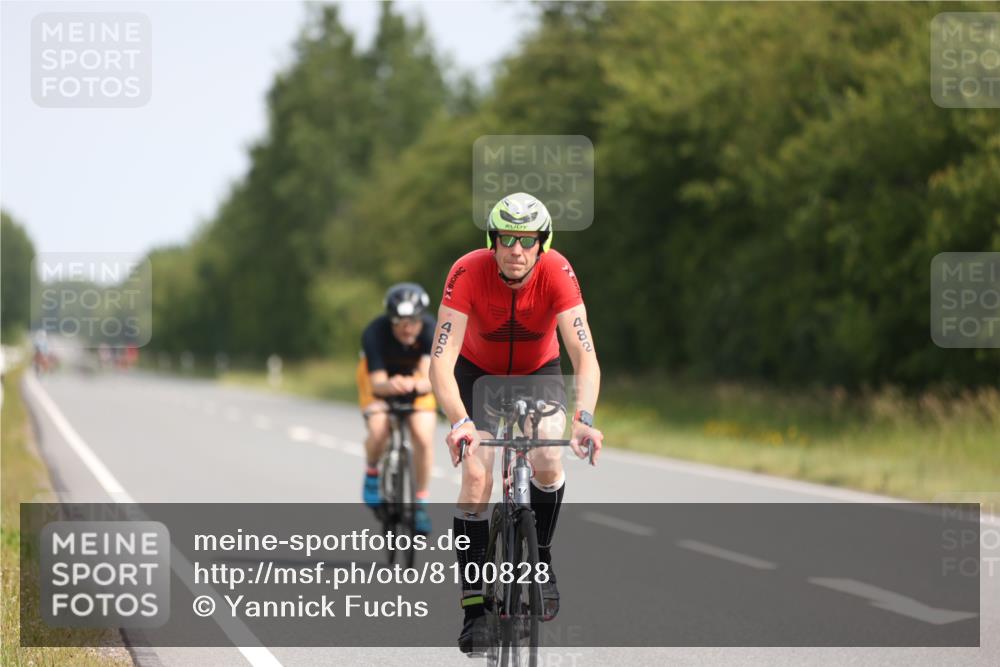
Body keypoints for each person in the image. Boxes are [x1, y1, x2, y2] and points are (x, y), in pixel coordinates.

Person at [428, 192, 603, 654]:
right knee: (476, 476)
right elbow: (441, 361)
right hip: (477, 375)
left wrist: (584, 418)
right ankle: (474, 609)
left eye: (527, 240)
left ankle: (539, 558)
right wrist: (460, 422)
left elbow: (584, 354)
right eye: (507, 238)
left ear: (543, 242)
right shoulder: (467, 272)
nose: (516, 250)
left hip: (537, 373)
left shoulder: (558, 272)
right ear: (493, 240)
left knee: (547, 454)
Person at [357, 283, 438, 534]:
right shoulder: (374, 333)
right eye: (399, 322)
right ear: (390, 320)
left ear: (421, 319)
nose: (407, 328)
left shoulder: (431, 330)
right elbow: (377, 384)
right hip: (381, 381)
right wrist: (391, 386)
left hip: (415, 381)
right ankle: (372, 473)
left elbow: (429, 378)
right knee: (379, 429)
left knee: (423, 437)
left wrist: (414, 384)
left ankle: (420, 502)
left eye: (413, 321)